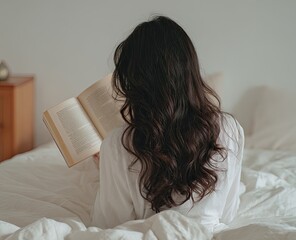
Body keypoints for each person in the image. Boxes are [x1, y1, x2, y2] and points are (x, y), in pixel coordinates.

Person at [91, 16, 244, 232]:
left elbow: (108, 225)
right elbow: (228, 213)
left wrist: (107, 169)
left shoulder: (119, 143)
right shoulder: (229, 128)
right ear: (190, 72)